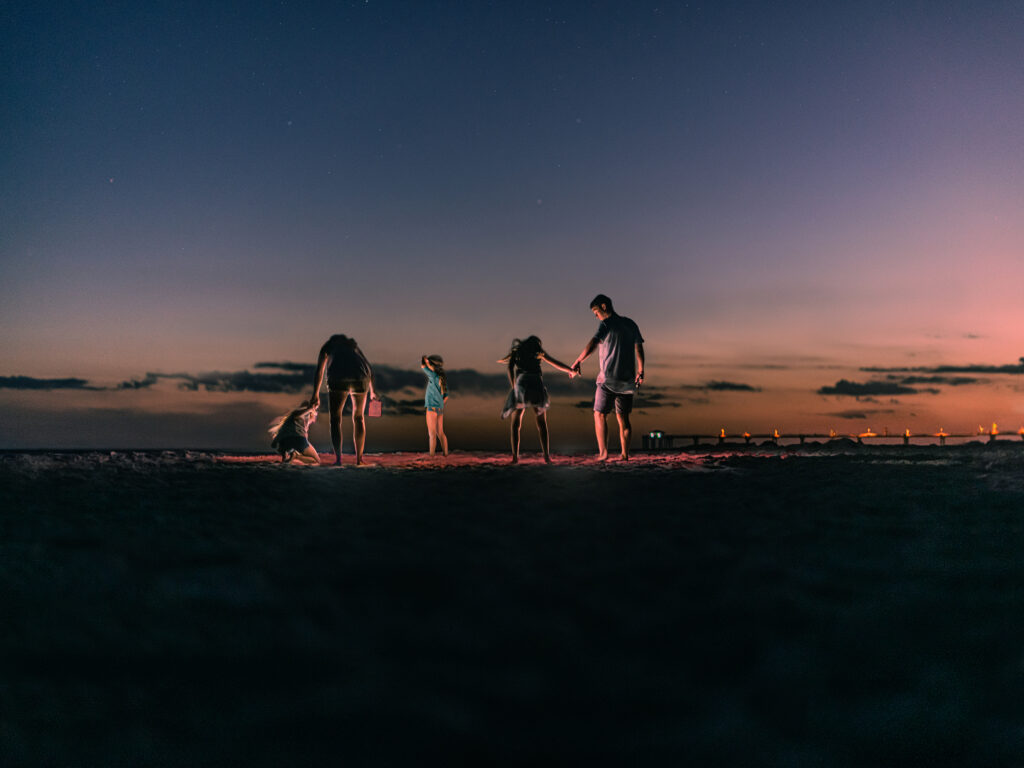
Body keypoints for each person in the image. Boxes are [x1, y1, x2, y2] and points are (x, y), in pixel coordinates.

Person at [571, 294, 645, 461]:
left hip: (607, 379)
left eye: (596, 312)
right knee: (623, 419)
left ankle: (603, 453)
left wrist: (578, 360)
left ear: (604, 307)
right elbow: (639, 350)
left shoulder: (607, 324)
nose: (595, 316)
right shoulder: (631, 324)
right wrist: (641, 371)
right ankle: (624, 455)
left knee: (599, 414)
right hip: (627, 381)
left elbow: (593, 343)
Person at [499, 336, 577, 464]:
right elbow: (554, 362)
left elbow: (509, 368)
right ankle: (546, 456)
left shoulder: (517, 352)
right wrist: (571, 370)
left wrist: (514, 385)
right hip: (535, 383)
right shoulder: (537, 351)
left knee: (516, 423)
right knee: (541, 422)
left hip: (522, 383)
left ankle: (515, 457)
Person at [310, 334, 377, 466]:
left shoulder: (328, 346)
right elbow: (369, 367)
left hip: (338, 377)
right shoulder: (353, 347)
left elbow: (320, 371)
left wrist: (315, 394)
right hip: (361, 376)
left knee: (335, 419)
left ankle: (339, 459)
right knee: (359, 417)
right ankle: (359, 460)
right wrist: (373, 391)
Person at [268, 400, 320, 465]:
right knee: (317, 461)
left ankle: (287, 459)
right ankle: (296, 456)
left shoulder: (291, 420)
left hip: (284, 442)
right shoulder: (303, 414)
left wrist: (275, 442)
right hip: (297, 439)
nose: (314, 420)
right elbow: (298, 416)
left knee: (285, 460)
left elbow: (282, 430)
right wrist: (310, 409)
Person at [421, 354, 449, 457]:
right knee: (440, 433)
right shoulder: (442, 379)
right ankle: (445, 454)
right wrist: (440, 403)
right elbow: (446, 396)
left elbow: (423, 366)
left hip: (432, 408)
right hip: (439, 409)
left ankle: (431, 457)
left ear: (432, 366)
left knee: (432, 434)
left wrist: (425, 359)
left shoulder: (433, 375)